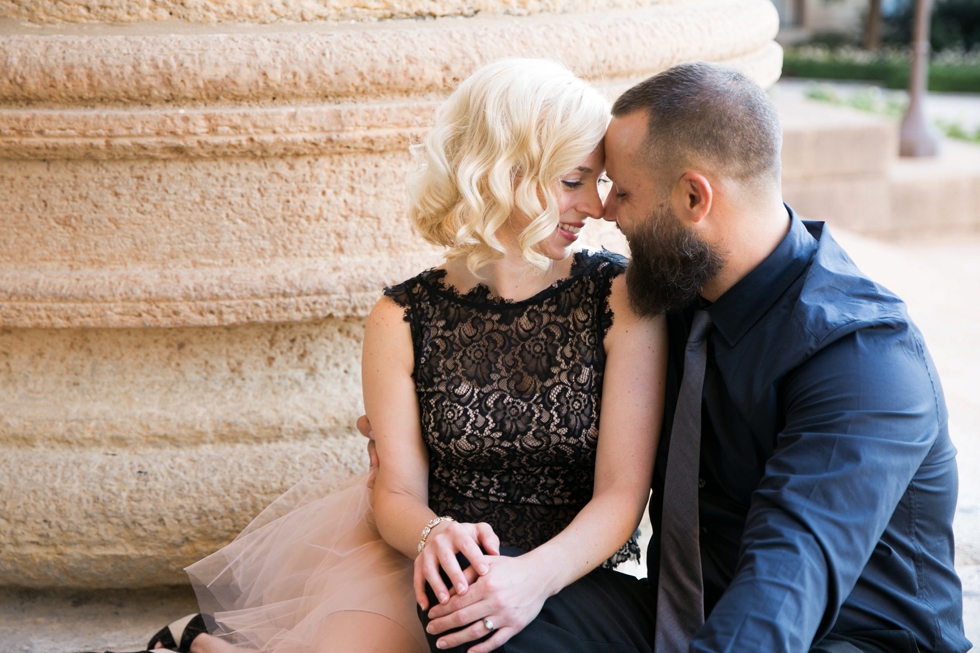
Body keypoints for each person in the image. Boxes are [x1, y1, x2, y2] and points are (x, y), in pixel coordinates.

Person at [375, 62, 970, 653]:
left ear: (693, 196)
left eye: (623, 192)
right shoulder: (673, 299)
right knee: (482, 625)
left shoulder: (865, 361)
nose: (605, 212)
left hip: (838, 634)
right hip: (682, 612)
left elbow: (788, 579)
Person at [143, 57, 667, 653]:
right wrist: (430, 535)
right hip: (422, 566)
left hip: (563, 573)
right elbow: (394, 495)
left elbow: (622, 496)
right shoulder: (399, 316)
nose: (596, 207)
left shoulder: (620, 298)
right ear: (503, 172)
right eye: (574, 181)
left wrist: (530, 579)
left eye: (596, 183)